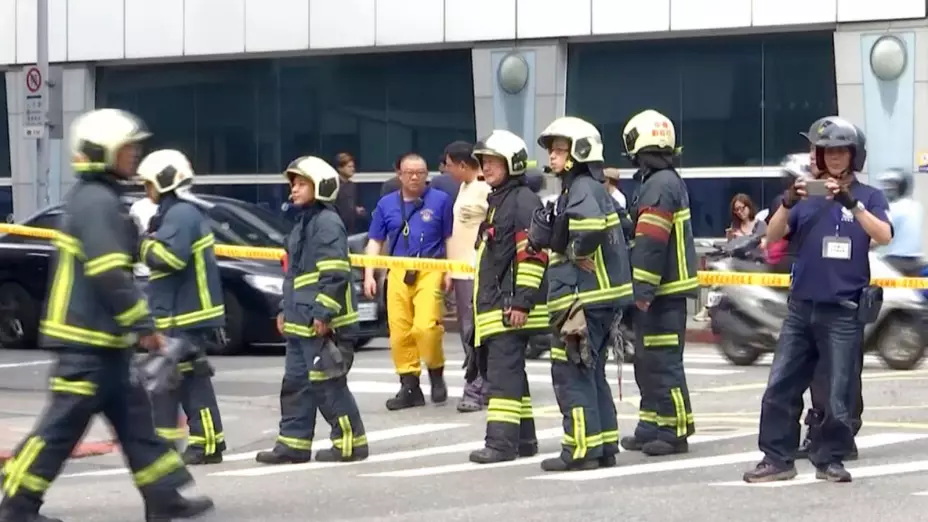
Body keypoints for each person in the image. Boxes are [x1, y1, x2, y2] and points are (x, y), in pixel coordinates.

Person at [0, 108, 213, 522]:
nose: (134, 155)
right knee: (58, 431)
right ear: (102, 150)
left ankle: (164, 496)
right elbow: (109, 275)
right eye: (128, 148)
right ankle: (16, 506)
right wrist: (145, 328)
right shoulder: (96, 201)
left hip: (105, 345)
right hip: (86, 344)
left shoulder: (99, 198)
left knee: (139, 427)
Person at [744, 116, 892, 484]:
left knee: (837, 392)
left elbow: (885, 235)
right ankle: (777, 458)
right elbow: (771, 236)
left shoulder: (870, 196)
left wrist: (851, 203)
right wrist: (788, 202)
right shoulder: (805, 198)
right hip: (800, 307)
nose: (835, 157)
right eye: (828, 151)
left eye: (842, 151)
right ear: (819, 156)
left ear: (853, 155)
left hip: (843, 310)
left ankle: (830, 459)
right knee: (780, 385)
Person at [533, 116, 632, 471]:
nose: (554, 157)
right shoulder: (594, 188)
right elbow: (625, 225)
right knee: (592, 372)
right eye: (553, 151)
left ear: (579, 152)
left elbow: (589, 229)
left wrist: (574, 251)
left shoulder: (581, 189)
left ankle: (579, 450)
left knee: (571, 373)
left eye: (560, 151)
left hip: (582, 301)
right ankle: (604, 445)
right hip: (602, 301)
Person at [256, 156, 368, 464]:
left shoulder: (327, 222)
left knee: (328, 385)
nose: (293, 189)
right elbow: (294, 275)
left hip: (323, 324)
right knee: (296, 385)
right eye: (293, 183)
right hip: (299, 322)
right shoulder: (303, 223)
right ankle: (293, 445)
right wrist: (284, 309)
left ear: (321, 186)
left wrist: (323, 314)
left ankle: (350, 442)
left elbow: (334, 273)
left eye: (301, 183)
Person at [135, 149, 227, 466]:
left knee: (187, 381)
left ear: (164, 180)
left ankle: (205, 445)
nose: (145, 188)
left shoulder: (180, 215)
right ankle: (197, 443)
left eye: (148, 182)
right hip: (180, 312)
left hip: (186, 315)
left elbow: (171, 258)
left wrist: (141, 244)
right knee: (181, 380)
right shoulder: (177, 213)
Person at [620, 109, 699, 457]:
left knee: (664, 362)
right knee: (647, 362)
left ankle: (675, 430)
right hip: (661, 293)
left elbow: (651, 243)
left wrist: (641, 291)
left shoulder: (658, 184)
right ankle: (652, 424)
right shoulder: (659, 182)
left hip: (662, 294)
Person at [467, 130, 548, 463]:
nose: (486, 167)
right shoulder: (498, 200)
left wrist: (520, 302)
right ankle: (524, 440)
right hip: (497, 306)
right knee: (513, 373)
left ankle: (501, 444)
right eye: (483, 162)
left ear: (511, 164)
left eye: (493, 162)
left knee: (502, 375)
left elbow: (532, 255)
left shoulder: (521, 201)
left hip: (509, 307)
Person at [364, 153, 454, 411]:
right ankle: (409, 385)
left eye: (421, 172)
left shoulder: (441, 201)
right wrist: (370, 273)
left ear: (428, 175)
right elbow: (375, 241)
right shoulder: (385, 205)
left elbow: (449, 238)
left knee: (425, 327)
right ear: (399, 174)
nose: (415, 177)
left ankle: (436, 371)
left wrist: (448, 270)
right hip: (397, 270)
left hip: (431, 267)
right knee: (400, 331)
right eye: (409, 172)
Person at [441, 141, 493, 413]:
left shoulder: (485, 189)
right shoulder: (463, 188)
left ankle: (478, 386)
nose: (447, 170)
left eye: (449, 165)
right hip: (461, 271)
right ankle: (481, 382)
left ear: (462, 164)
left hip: (477, 270)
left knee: (475, 331)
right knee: (466, 330)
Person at [874, 168, 923, 275]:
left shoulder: (893, 208)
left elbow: (878, 236)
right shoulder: (916, 206)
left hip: (896, 262)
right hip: (916, 260)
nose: (886, 188)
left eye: (890, 185)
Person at [333, 152, 366, 235]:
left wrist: (356, 210)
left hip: (351, 230)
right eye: (349, 167)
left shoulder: (352, 186)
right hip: (337, 229)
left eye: (353, 167)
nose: (353, 169)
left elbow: (353, 205)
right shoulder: (333, 186)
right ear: (340, 168)